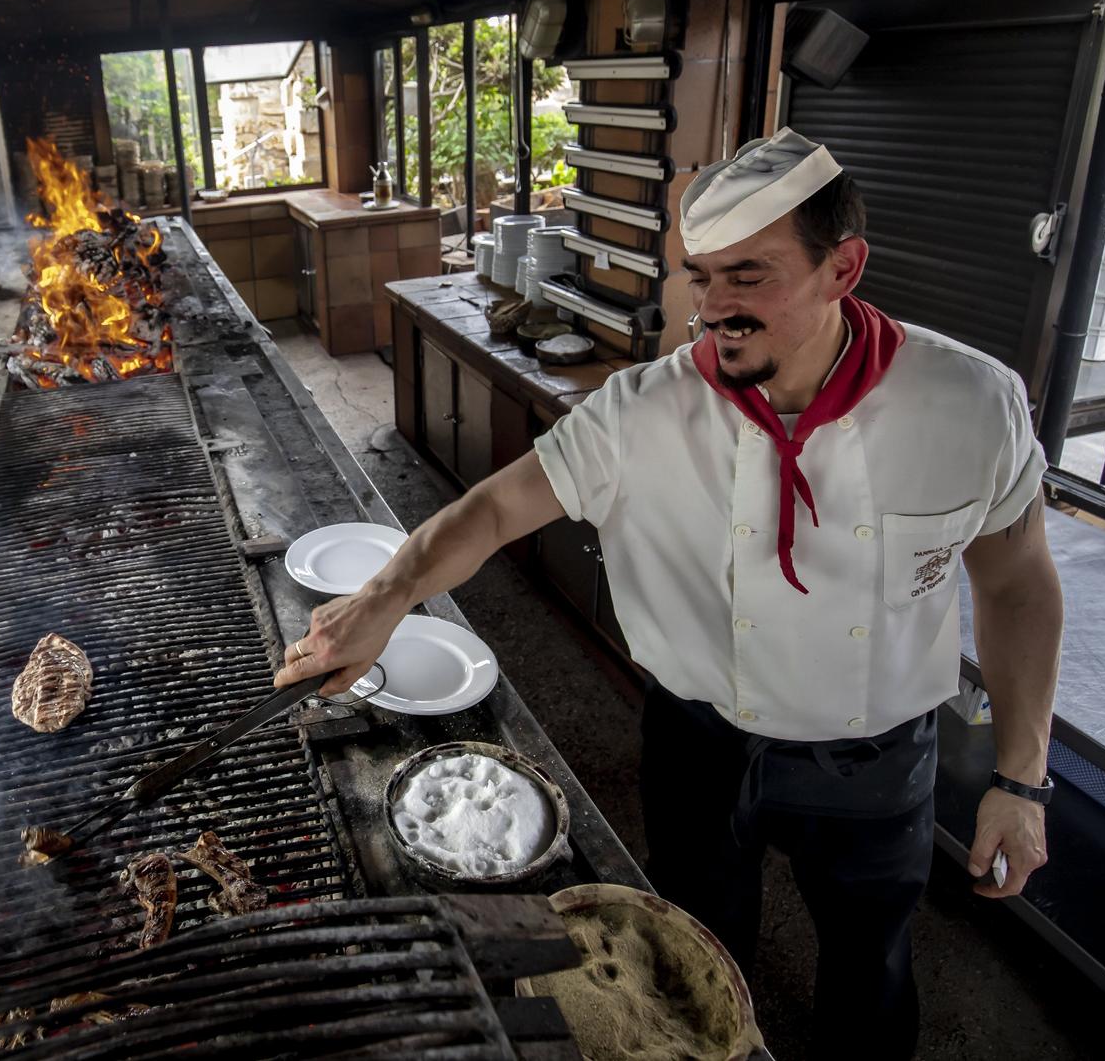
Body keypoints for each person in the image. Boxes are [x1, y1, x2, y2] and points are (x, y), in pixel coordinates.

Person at [275, 129, 1064, 1060]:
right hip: (700, 743)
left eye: (751, 275)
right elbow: (490, 512)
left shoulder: (971, 405)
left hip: (878, 761)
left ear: (843, 267)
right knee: (690, 956)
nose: (715, 307)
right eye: (702, 276)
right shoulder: (643, 410)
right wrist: (383, 597)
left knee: (871, 967)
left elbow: (1015, 582)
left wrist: (1022, 777)